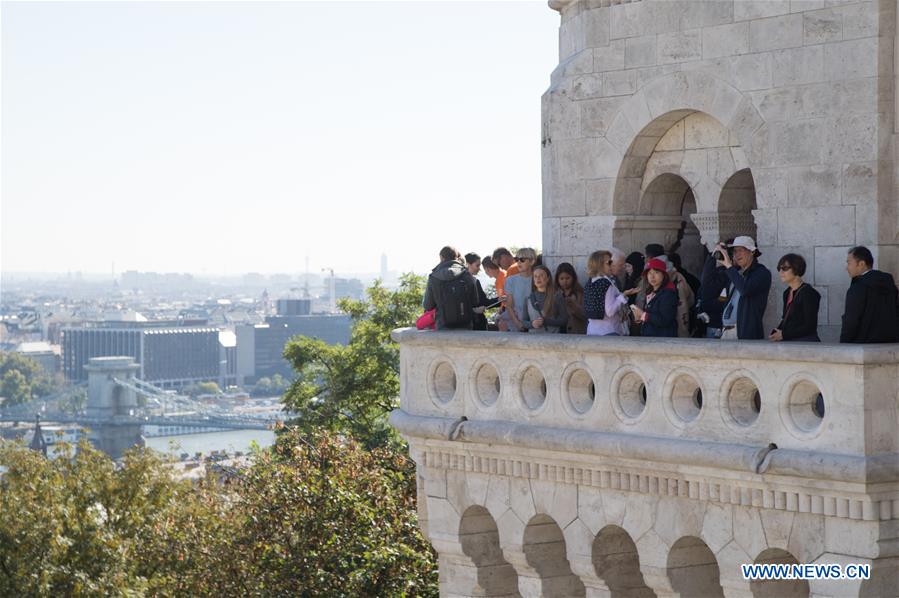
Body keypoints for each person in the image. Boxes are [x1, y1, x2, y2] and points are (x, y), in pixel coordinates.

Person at [715, 236, 771, 340]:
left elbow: (745, 290)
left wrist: (729, 266)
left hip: (744, 333)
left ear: (752, 252)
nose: (737, 254)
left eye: (741, 250)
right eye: (735, 251)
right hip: (726, 331)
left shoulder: (762, 273)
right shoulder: (736, 273)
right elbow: (708, 282)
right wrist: (714, 253)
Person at [840, 246, 899, 343]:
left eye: (849, 263)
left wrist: (844, 344)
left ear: (861, 264)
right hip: (891, 345)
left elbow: (851, 320)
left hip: (864, 345)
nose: (846, 268)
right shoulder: (889, 284)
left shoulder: (858, 287)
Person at [422, 246, 479, 330]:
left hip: (443, 326)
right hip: (465, 325)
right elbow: (475, 301)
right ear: (456, 257)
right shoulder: (466, 274)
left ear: (441, 257)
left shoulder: (434, 277)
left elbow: (428, 305)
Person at [769, 253, 820, 342]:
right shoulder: (786, 293)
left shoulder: (808, 293)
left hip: (805, 344)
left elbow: (810, 326)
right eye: (779, 269)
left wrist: (784, 335)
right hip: (792, 342)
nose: (780, 272)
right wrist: (777, 331)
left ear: (796, 268)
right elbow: (787, 319)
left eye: (785, 268)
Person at [584, 250, 630, 336]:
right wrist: (623, 295)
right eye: (609, 262)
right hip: (609, 331)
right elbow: (610, 311)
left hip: (592, 331)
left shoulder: (590, 283)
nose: (611, 265)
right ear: (599, 265)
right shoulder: (606, 283)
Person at [631, 258, 678, 337]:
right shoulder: (650, 292)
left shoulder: (668, 294)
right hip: (650, 337)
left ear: (664, 275)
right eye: (649, 273)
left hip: (662, 339)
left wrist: (643, 315)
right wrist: (639, 317)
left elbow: (665, 320)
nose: (652, 276)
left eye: (656, 272)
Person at [500, 247, 537, 332]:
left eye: (522, 259)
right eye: (517, 259)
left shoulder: (537, 279)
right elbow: (509, 305)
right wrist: (518, 324)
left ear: (532, 261)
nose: (519, 262)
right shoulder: (510, 280)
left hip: (535, 323)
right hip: (515, 323)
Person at [525, 265, 568, 333]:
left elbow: (564, 320)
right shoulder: (528, 298)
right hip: (533, 338)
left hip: (552, 338)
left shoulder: (557, 296)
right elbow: (524, 321)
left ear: (548, 278)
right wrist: (532, 324)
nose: (538, 278)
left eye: (541, 275)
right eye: (535, 276)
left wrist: (546, 321)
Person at [698, 249, 730, 338]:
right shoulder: (719, 274)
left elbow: (721, 302)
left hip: (718, 324)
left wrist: (704, 305)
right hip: (713, 324)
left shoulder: (728, 275)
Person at [555, 262, 587, 334]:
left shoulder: (580, 293)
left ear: (573, 278)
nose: (565, 281)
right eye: (561, 279)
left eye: (567, 278)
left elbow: (585, 315)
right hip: (559, 332)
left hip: (576, 332)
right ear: (557, 279)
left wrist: (574, 307)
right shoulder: (556, 295)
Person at [464, 252, 492, 331]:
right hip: (476, 322)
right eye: (477, 265)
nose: (479, 269)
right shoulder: (474, 281)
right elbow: (484, 302)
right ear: (468, 264)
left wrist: (499, 300)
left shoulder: (458, 282)